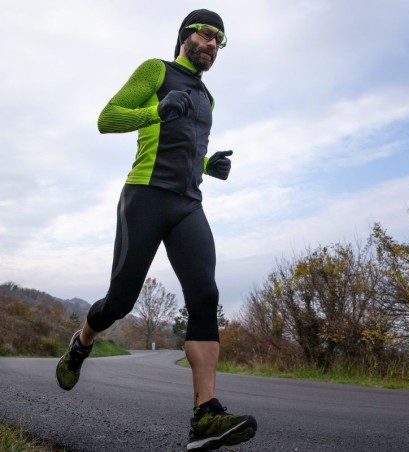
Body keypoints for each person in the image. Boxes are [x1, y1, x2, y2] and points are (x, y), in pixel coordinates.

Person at [55, 8, 257, 451]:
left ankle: (205, 415)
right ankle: (83, 340)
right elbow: (108, 119)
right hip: (145, 197)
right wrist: (156, 111)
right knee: (120, 302)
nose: (213, 46)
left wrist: (208, 165)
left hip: (188, 204)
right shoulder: (156, 70)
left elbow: (184, 146)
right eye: (208, 35)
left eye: (220, 42)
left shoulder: (209, 98)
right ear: (187, 35)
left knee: (205, 295)